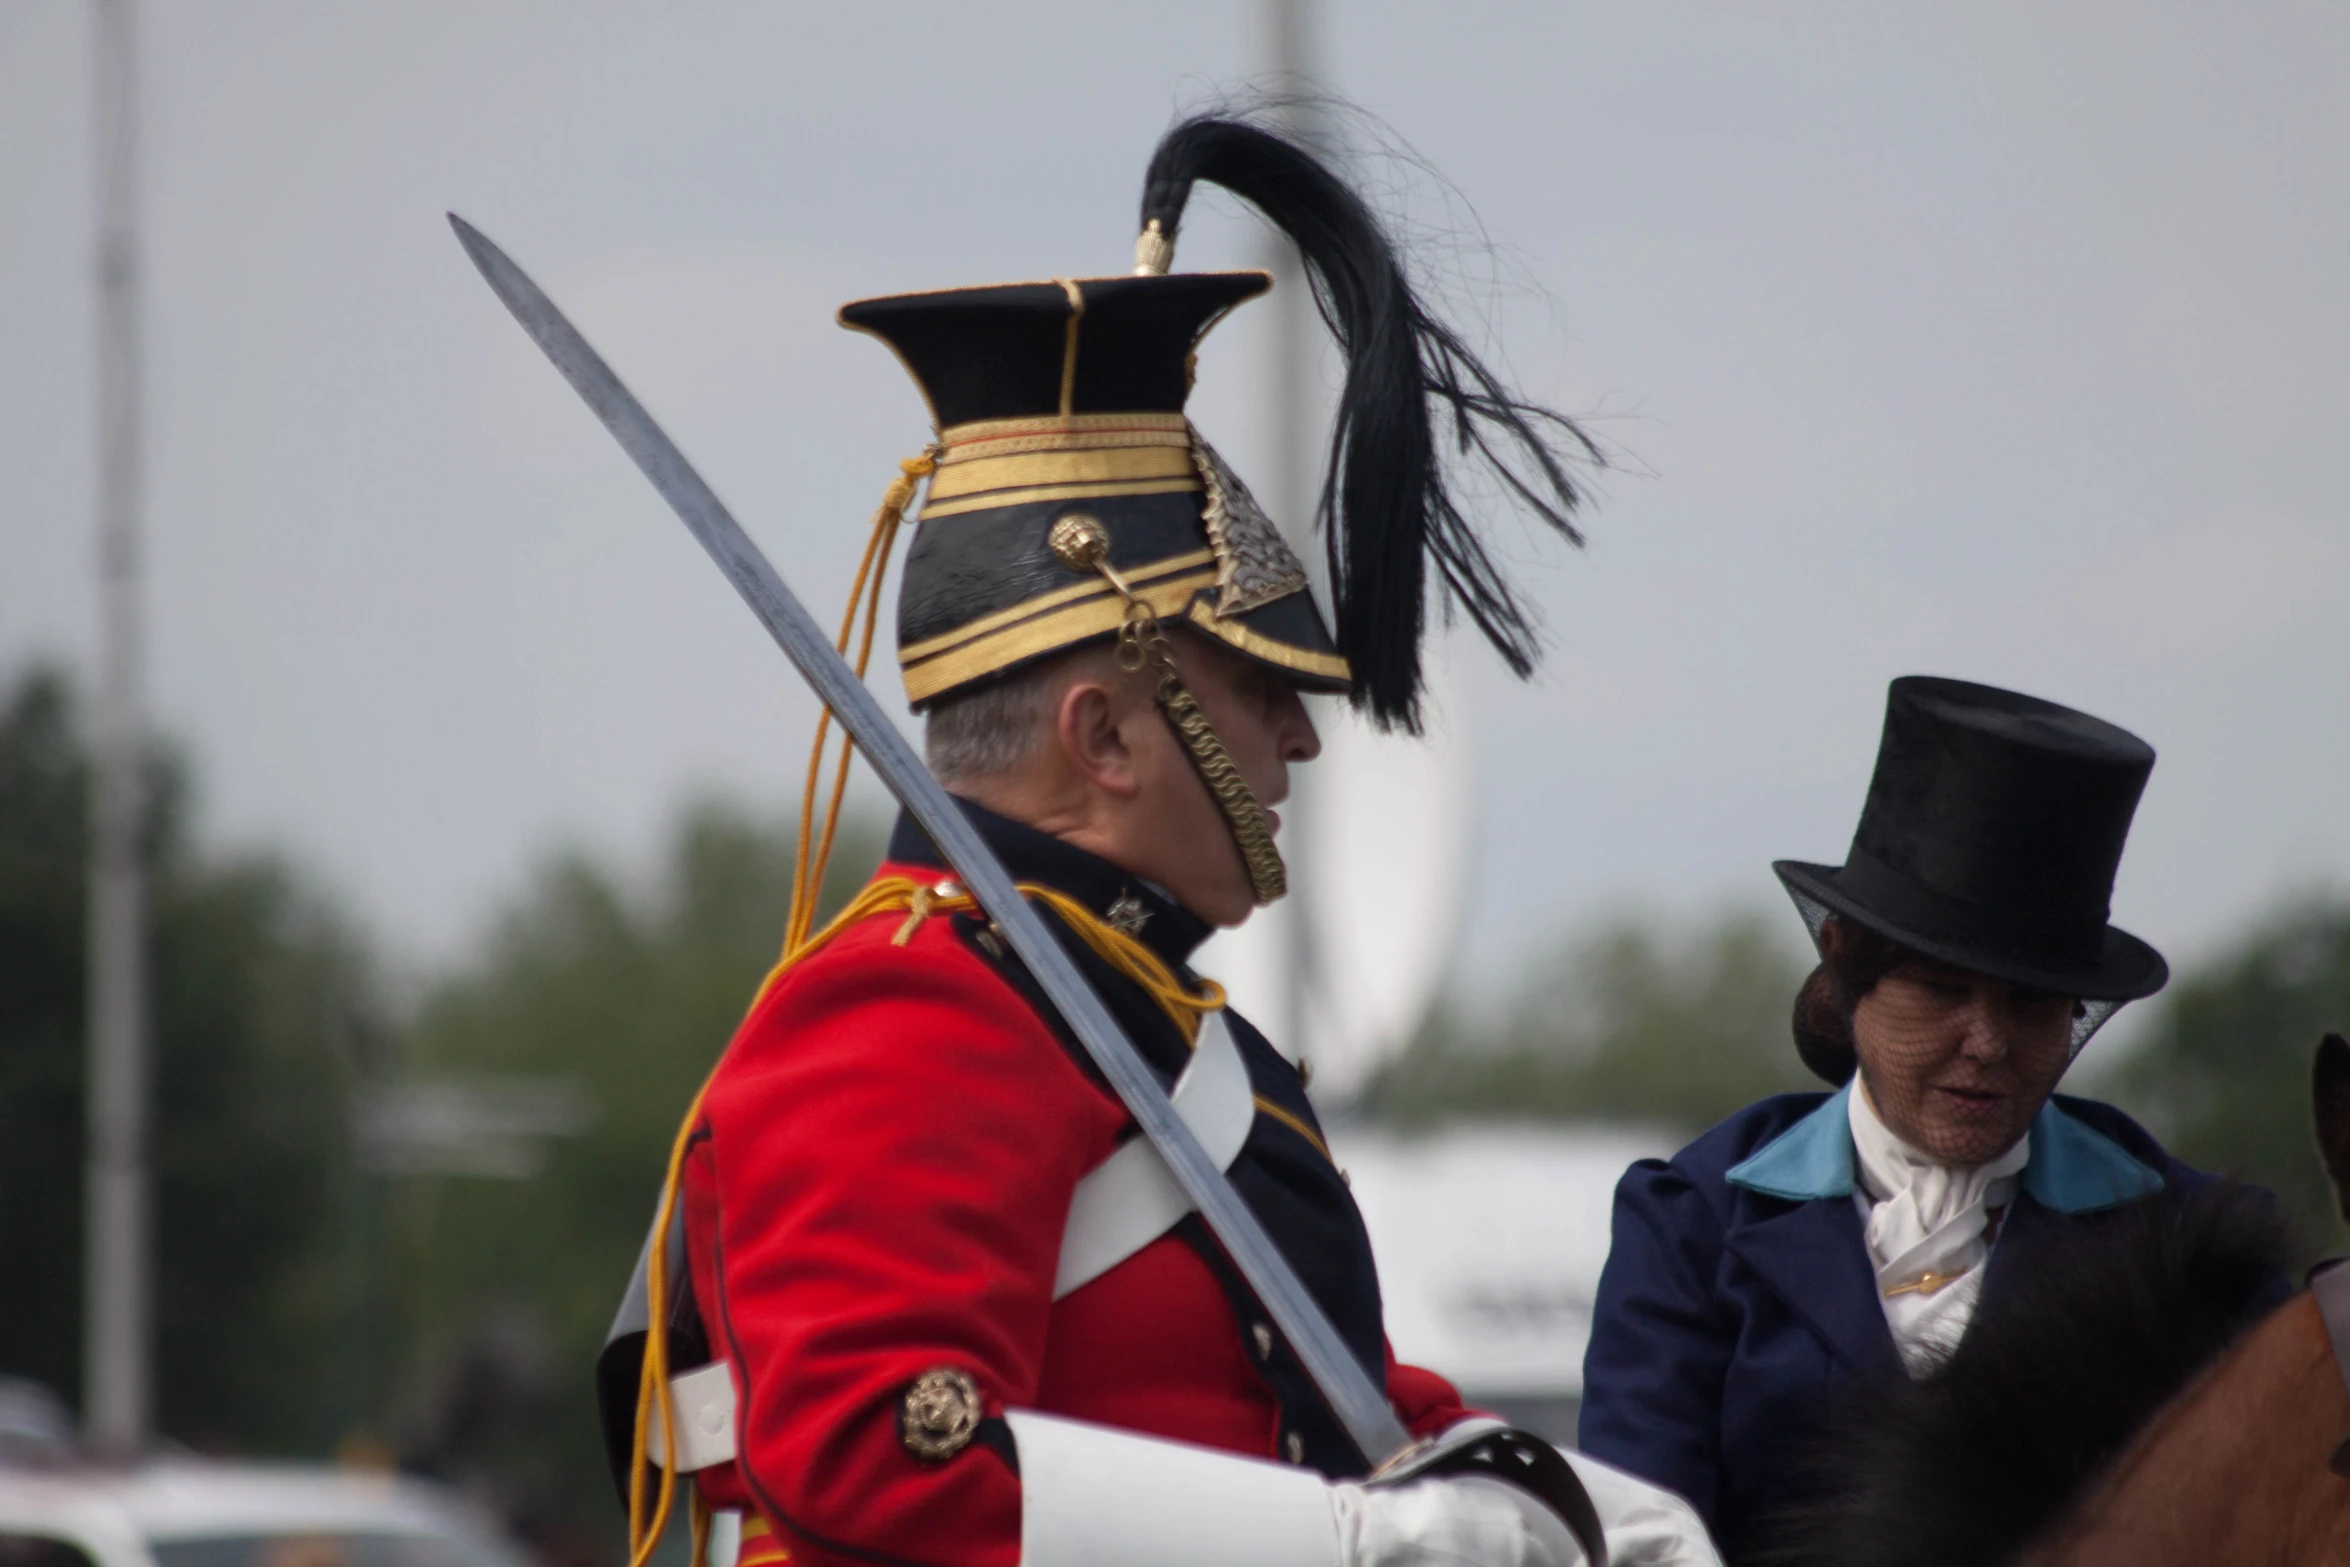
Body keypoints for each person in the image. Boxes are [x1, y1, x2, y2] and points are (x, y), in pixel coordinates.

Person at [595, 113, 1721, 1567]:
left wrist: (1532, 1491)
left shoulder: (1159, 1023)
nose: (1300, 742)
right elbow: (874, 1443)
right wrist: (1350, 1543)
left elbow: (1316, 1403)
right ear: (1103, 735)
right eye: (1260, 692)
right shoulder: (910, 1003)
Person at [1576, 675, 2277, 1562]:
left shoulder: (2193, 1246)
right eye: (1941, 990)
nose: (1985, 1043)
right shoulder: (1691, 1226)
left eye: (2032, 1004)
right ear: (1845, 966)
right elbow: (1634, 1531)